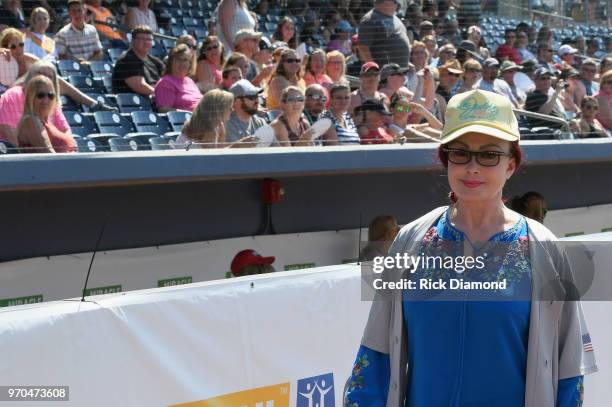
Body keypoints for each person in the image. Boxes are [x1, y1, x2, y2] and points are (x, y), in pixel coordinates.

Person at [344, 88, 597, 407]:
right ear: (445, 159)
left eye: (490, 154)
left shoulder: (545, 250)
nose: (472, 167)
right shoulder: (410, 242)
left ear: (511, 164)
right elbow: (376, 355)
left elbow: (569, 370)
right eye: (460, 152)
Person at [0, 61, 72, 147]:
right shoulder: (13, 94)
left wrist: (70, 149)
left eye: (50, 77)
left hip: (52, 153)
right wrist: (21, 154)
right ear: (30, 76)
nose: (45, 79)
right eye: (41, 74)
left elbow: (65, 130)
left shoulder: (50, 98)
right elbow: (7, 129)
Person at [16, 75, 76, 153]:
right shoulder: (31, 121)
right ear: (31, 97)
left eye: (50, 96)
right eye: (41, 95)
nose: (46, 100)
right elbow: (49, 157)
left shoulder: (47, 123)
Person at [111, 25, 164, 95]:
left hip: (154, 99)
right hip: (135, 103)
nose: (146, 42)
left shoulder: (155, 61)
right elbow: (140, 86)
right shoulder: (127, 60)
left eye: (149, 40)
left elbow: (170, 77)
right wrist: (162, 95)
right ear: (133, 40)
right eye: (142, 39)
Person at [358, 0, 411, 68]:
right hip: (384, 74)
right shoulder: (370, 19)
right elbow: (363, 48)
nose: (398, 4)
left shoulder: (396, 18)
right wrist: (373, 69)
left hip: (401, 72)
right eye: (395, 1)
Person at [154, 44, 201, 113]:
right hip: (189, 120)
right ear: (171, 62)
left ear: (189, 63)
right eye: (178, 59)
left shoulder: (189, 81)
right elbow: (164, 110)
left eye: (185, 60)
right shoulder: (166, 82)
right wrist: (189, 113)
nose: (182, 63)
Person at [225, 79, 266, 144]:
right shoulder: (227, 125)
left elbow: (275, 149)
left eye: (257, 96)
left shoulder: (261, 123)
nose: (257, 101)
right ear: (236, 101)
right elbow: (234, 153)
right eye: (251, 97)